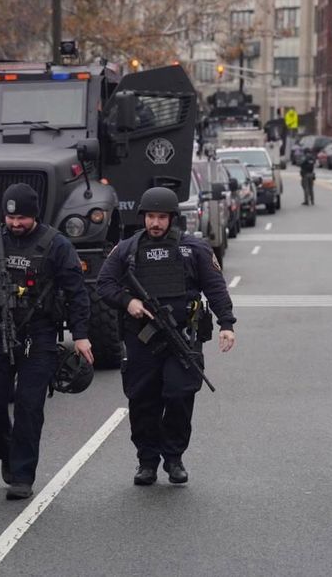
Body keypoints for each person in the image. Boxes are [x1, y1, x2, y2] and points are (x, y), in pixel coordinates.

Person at [0, 183, 92, 500]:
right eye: (11, 218)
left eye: (22, 218)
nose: (15, 224)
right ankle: (8, 454)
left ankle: (22, 475)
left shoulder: (57, 245)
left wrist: (80, 336)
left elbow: (78, 293)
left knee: (29, 406)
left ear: (34, 215)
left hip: (39, 336)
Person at [97, 187, 236, 486]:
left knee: (178, 396)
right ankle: (147, 461)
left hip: (182, 336)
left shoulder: (194, 249)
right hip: (141, 339)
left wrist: (227, 323)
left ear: (172, 219)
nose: (155, 223)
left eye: (161, 217)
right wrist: (128, 302)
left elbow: (215, 286)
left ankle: (173, 458)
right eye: (150, 217)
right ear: (143, 218)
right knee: (142, 400)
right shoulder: (127, 250)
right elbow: (104, 284)